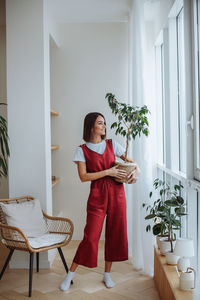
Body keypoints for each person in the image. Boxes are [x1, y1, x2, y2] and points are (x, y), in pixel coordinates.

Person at [60, 112, 140, 292]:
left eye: (104, 123)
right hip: (97, 195)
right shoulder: (81, 150)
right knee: (90, 236)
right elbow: (83, 177)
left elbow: (133, 162)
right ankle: (70, 275)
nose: (104, 126)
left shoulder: (113, 145)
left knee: (115, 233)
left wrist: (137, 171)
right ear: (90, 127)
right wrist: (108, 172)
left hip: (117, 193)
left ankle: (107, 274)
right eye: (100, 123)